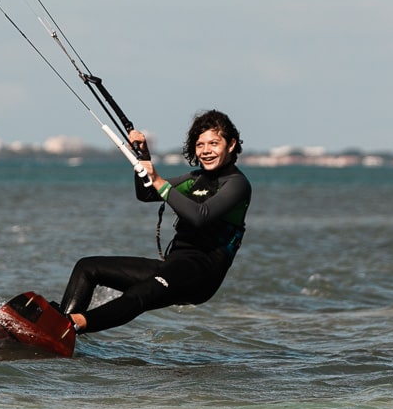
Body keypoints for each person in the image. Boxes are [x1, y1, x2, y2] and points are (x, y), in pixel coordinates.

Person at [59, 109, 250, 335]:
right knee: (88, 267)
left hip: (202, 272)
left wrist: (159, 180)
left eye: (214, 143)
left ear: (231, 144)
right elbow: (148, 194)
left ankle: (71, 325)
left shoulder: (237, 184)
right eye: (200, 145)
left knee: (141, 294)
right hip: (174, 265)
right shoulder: (195, 179)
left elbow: (201, 216)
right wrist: (143, 158)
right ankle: (58, 330)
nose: (206, 151)